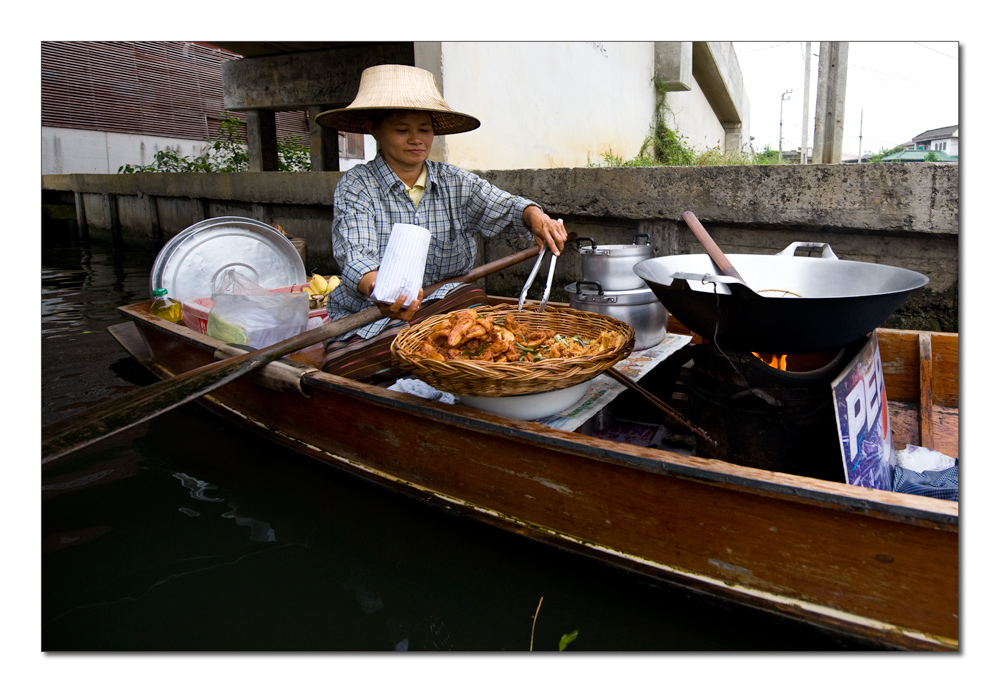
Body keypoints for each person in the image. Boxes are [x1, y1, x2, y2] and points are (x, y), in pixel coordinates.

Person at [314, 64, 567, 383]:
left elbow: (504, 205)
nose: (416, 140)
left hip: (444, 310)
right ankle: (435, 362)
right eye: (402, 130)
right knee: (346, 368)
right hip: (374, 320)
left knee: (469, 299)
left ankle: (435, 361)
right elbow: (356, 254)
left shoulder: (455, 182)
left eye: (424, 128)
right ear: (374, 129)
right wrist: (384, 290)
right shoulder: (357, 186)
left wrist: (535, 217)